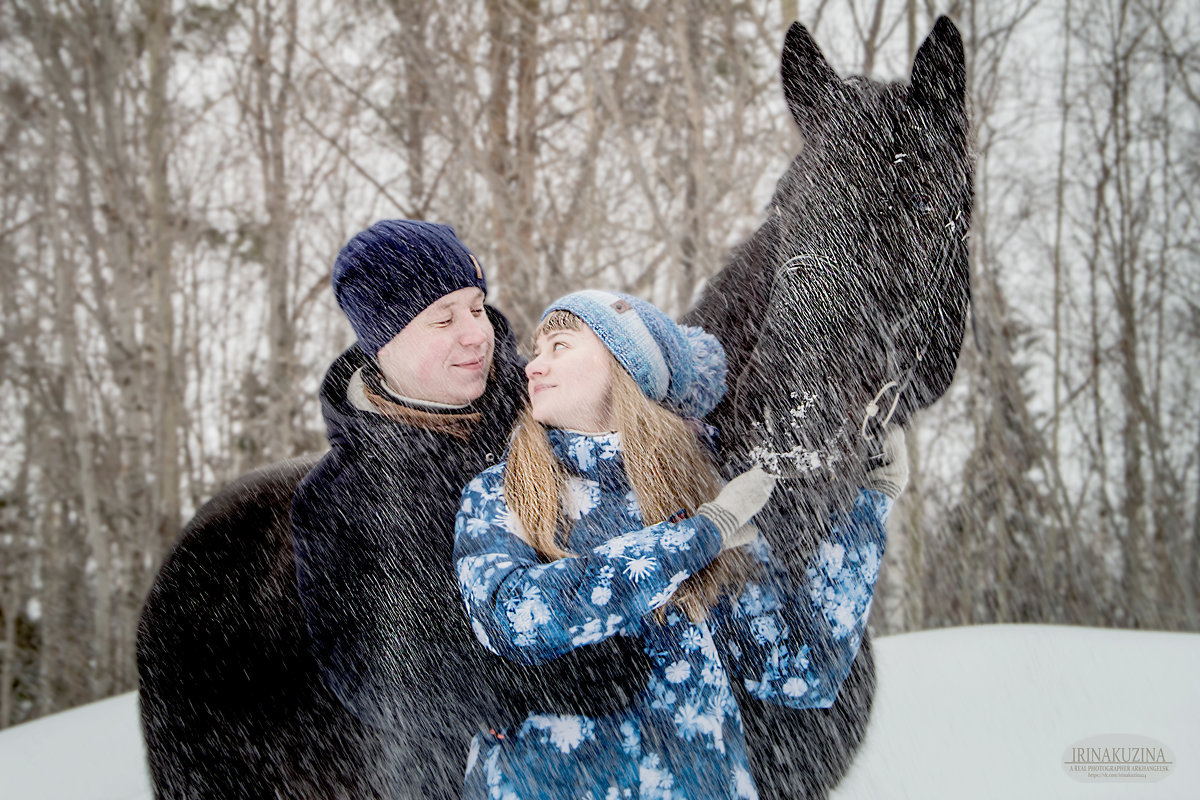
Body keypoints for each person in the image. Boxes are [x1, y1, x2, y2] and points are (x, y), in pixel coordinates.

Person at [454, 290, 905, 799]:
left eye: (559, 346)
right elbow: (513, 617)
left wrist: (868, 506)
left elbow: (800, 667)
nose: (534, 366)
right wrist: (699, 536)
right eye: (536, 352)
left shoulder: (699, 489)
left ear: (628, 364)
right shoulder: (501, 490)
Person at [288, 222, 650, 798]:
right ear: (384, 341)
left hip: (658, 746)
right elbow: (374, 672)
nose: (475, 334)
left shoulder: (545, 404)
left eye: (477, 308)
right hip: (486, 769)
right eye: (443, 319)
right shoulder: (340, 500)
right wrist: (546, 680)